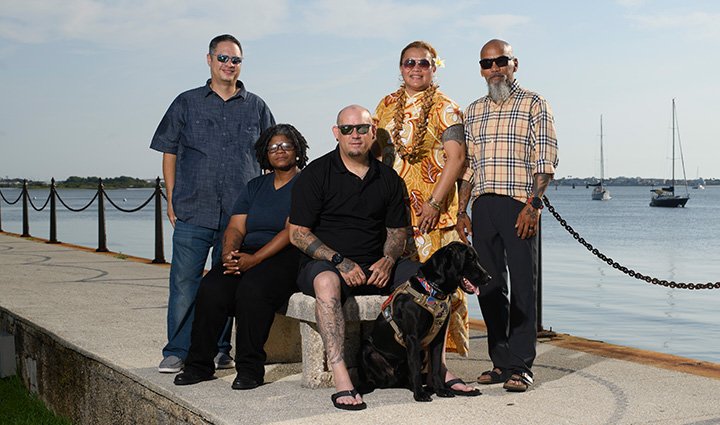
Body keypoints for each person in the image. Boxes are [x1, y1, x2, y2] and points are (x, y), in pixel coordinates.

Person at [150, 34, 275, 373]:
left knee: (225, 283)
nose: (228, 65)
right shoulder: (186, 103)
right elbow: (169, 152)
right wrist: (172, 198)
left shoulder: (257, 106)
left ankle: (220, 350)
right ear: (209, 60)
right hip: (194, 208)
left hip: (239, 215)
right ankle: (177, 350)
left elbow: (272, 159)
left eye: (235, 60)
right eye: (223, 58)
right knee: (184, 283)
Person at [288, 105, 420, 410]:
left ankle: (434, 367)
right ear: (337, 134)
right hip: (328, 264)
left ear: (373, 132)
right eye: (347, 129)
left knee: (427, 282)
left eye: (361, 128)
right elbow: (298, 233)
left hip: (376, 264)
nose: (355, 135)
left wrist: (388, 260)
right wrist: (339, 261)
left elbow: (398, 231)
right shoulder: (316, 174)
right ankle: (341, 377)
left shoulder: (388, 178)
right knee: (325, 284)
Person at [373, 41, 478, 396]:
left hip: (435, 215)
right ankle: (401, 362)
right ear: (400, 67)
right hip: (394, 216)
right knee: (406, 293)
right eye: (409, 63)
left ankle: (442, 371)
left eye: (423, 63)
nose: (415, 68)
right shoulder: (386, 106)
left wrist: (433, 202)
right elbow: (373, 156)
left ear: (434, 67)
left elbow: (457, 157)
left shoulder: (447, 108)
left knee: (445, 294)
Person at [457, 39, 559, 392]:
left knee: (523, 288)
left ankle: (522, 365)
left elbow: (545, 159)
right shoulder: (473, 111)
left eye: (501, 61)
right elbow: (469, 167)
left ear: (514, 63)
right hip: (483, 206)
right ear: (481, 69)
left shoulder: (534, 103)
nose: (494, 68)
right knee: (489, 284)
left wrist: (534, 204)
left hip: (519, 205)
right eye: (487, 63)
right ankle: (500, 362)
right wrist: (461, 209)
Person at [173, 124, 308, 389]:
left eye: (286, 146)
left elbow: (292, 230)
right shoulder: (255, 186)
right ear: (264, 154)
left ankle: (249, 369)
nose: (279, 151)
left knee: (252, 290)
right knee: (211, 288)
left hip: (288, 255)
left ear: (297, 150)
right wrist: (229, 253)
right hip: (248, 252)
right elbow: (236, 226)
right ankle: (199, 365)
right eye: (273, 147)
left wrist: (255, 260)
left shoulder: (306, 183)